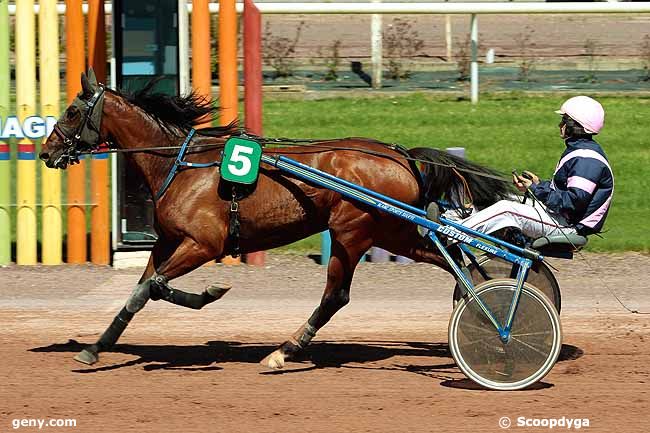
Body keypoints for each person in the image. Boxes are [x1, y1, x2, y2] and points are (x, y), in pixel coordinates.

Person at [458, 95, 614, 240]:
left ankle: (452, 235)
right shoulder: (580, 151)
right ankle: (453, 218)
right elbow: (564, 194)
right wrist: (538, 185)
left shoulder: (586, 159)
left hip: (568, 226)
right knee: (499, 197)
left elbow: (572, 203)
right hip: (560, 217)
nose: (560, 124)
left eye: (564, 121)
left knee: (506, 209)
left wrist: (536, 189)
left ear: (576, 125)